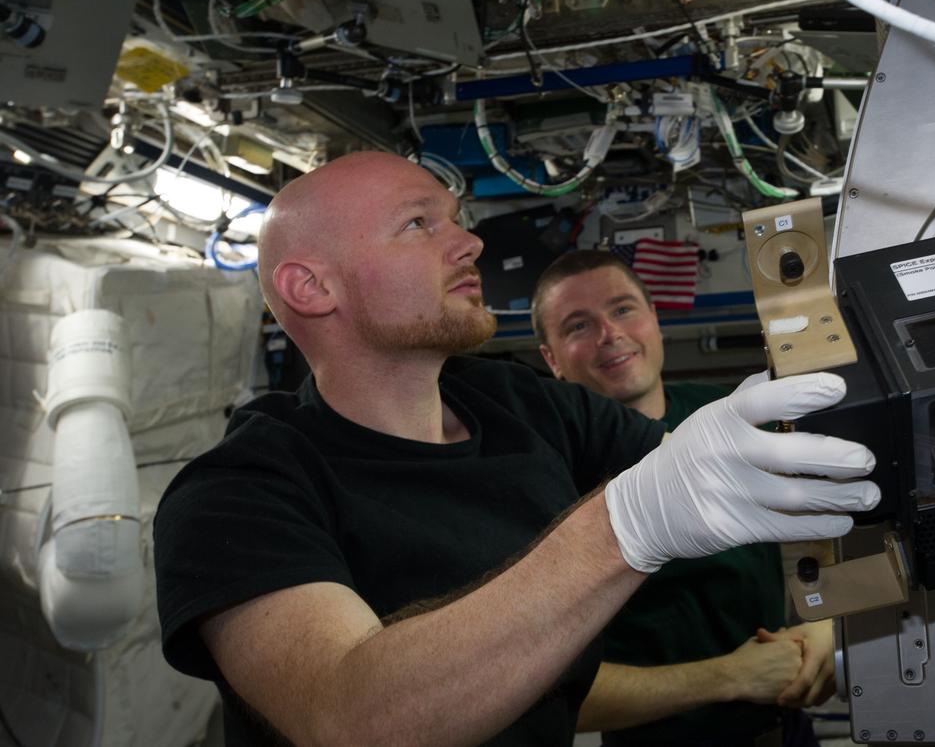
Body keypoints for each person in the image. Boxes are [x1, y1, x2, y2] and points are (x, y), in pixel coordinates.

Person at [152, 151, 879, 747]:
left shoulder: (518, 403)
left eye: (457, 221)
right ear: (311, 287)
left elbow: (756, 473)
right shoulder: (236, 492)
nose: (469, 243)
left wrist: (834, 610)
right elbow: (351, 719)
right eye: (417, 223)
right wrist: (624, 526)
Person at [533, 251, 834, 747]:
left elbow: (823, 519)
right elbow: (547, 695)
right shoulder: (546, 476)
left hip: (785, 729)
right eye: (578, 325)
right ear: (551, 360)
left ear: (655, 319)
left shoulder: (730, 413)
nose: (610, 334)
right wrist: (728, 677)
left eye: (624, 309)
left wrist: (824, 624)